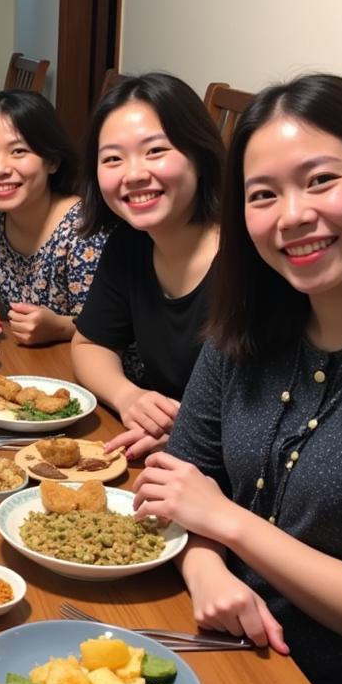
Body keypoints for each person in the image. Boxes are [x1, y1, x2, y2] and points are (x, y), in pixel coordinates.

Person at [133, 73, 342, 684]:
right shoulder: (240, 334)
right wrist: (205, 568)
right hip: (219, 652)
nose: (292, 215)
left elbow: (209, 505)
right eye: (263, 194)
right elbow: (180, 484)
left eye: (321, 180)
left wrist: (229, 525)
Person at [71, 73, 225, 461]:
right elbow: (91, 343)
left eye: (156, 151)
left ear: (200, 154)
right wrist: (128, 396)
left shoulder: (249, 258)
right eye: (112, 159)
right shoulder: (131, 242)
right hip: (160, 453)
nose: (134, 174)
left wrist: (191, 437)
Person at [0, 90, 107, 343]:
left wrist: (59, 327)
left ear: (52, 161)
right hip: (30, 366)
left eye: (18, 151)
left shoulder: (83, 228)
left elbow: (107, 325)